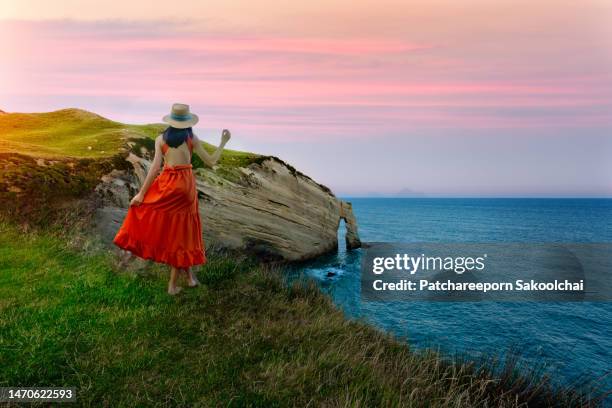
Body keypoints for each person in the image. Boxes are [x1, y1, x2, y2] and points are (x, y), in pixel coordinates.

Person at [113, 103, 231, 295]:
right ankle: (174, 285)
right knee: (182, 233)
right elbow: (211, 161)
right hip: (185, 187)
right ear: (187, 122)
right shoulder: (191, 138)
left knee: (165, 224)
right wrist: (223, 142)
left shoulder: (161, 139)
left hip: (166, 185)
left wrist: (142, 194)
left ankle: (188, 278)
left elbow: (154, 168)